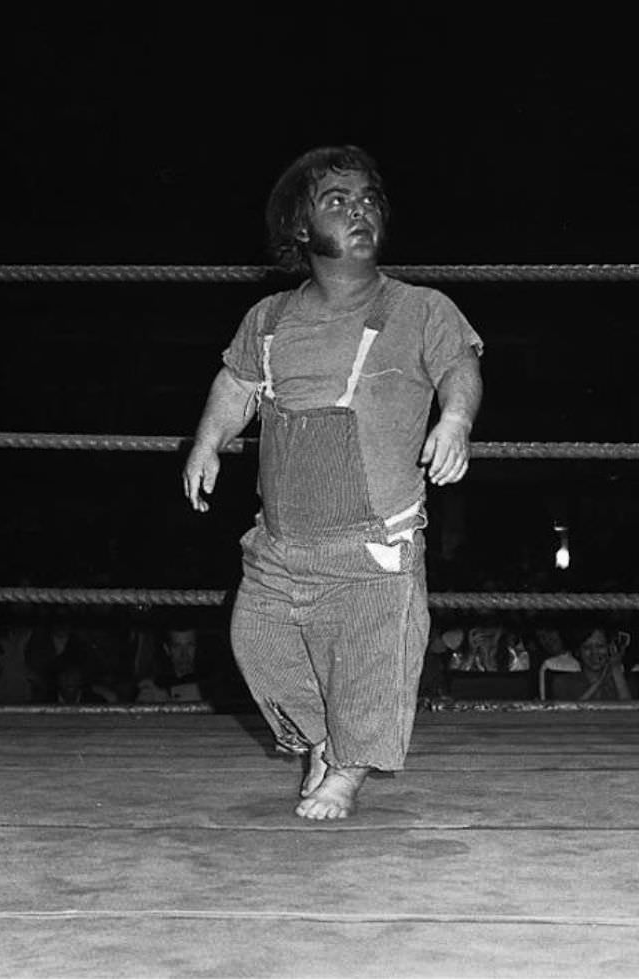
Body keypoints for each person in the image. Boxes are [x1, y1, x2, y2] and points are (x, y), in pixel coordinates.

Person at [183, 145, 483, 819]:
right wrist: (208, 440)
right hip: (283, 543)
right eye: (338, 201)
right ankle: (319, 738)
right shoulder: (267, 319)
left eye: (370, 199)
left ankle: (346, 771)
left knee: (372, 662)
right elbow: (235, 386)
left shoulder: (421, 307)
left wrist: (457, 419)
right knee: (254, 640)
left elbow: (459, 365)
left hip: (375, 542)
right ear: (298, 227)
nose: (361, 211)